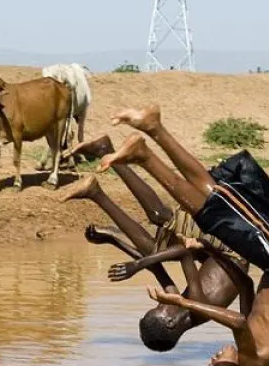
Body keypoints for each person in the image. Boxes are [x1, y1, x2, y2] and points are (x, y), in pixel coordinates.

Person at [94, 105, 269, 366]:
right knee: (213, 212)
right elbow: (235, 321)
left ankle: (150, 134)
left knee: (216, 198)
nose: (210, 361)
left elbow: (247, 285)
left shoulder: (253, 352)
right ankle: (146, 151)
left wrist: (211, 247)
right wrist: (178, 300)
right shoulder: (253, 362)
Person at [62, 135, 245, 352]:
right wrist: (136, 267)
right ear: (171, 322)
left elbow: (154, 265)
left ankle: (96, 193)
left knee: (153, 250)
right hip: (234, 244)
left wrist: (114, 241)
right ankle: (105, 150)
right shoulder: (197, 306)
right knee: (160, 216)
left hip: (213, 253)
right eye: (159, 308)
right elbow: (184, 252)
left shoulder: (181, 307)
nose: (159, 303)